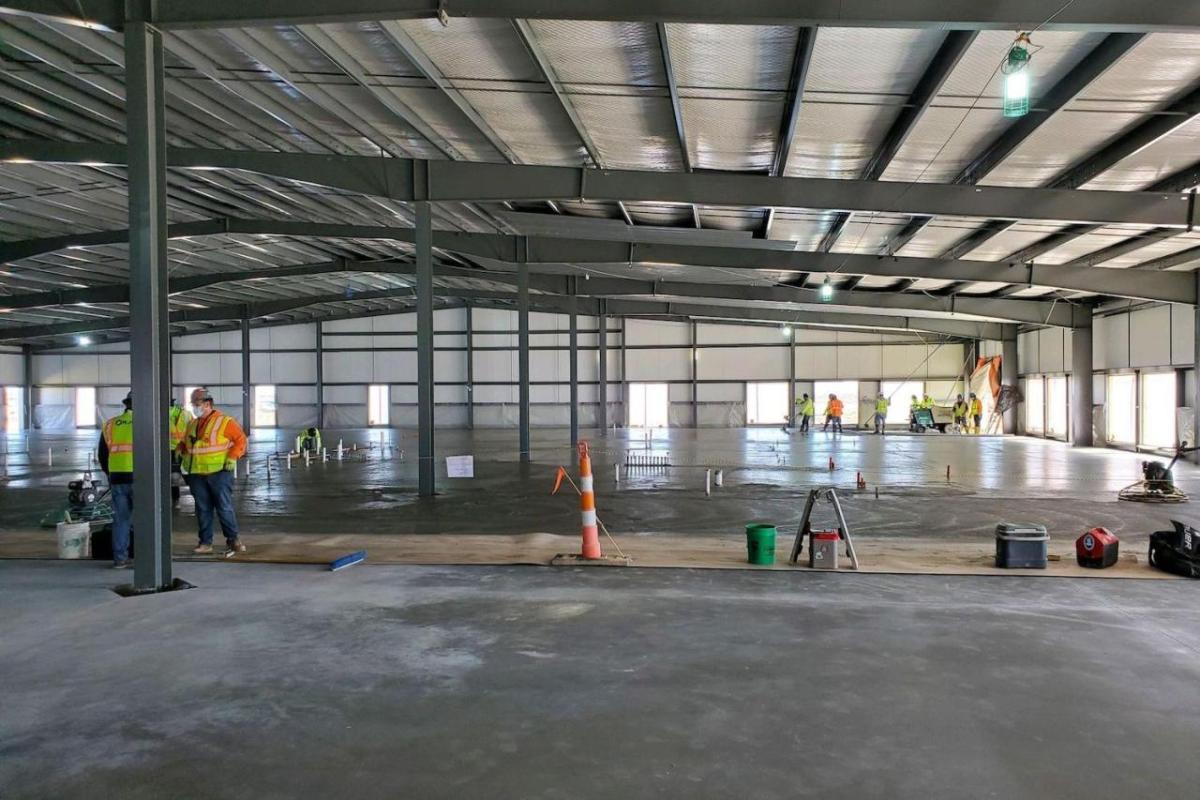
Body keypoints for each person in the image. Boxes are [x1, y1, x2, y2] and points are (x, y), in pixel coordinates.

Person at [179, 388, 248, 557]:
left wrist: (232, 457)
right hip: (196, 474)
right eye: (193, 404)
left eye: (196, 404)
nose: (194, 407)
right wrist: (180, 450)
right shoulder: (192, 424)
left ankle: (233, 539)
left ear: (207, 404)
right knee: (203, 509)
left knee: (224, 507)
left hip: (219, 473)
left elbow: (241, 440)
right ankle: (205, 543)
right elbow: (186, 444)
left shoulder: (225, 422)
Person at [98, 392, 134, 569]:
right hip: (142, 478)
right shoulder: (149, 423)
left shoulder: (110, 425)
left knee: (121, 519)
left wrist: (110, 474)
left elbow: (102, 455)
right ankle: (147, 558)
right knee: (146, 519)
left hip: (118, 478)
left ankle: (120, 558)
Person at [168, 398, 193, 504]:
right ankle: (199, 495)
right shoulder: (187, 414)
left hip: (169, 450)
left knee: (173, 476)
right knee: (189, 473)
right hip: (185, 448)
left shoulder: (158, 414)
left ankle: (175, 498)